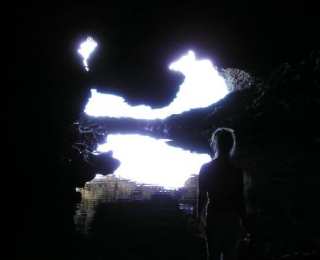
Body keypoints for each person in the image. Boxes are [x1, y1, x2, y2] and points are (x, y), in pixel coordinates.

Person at [197, 127, 247, 260]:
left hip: (213, 216)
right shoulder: (236, 171)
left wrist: (198, 218)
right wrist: (245, 222)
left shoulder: (206, 168)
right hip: (231, 218)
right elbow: (239, 199)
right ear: (231, 145)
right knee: (230, 255)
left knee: (212, 255)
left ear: (215, 144)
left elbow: (202, 196)